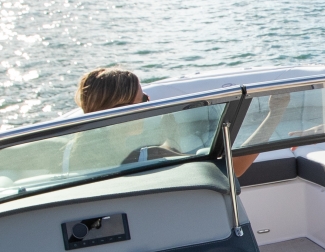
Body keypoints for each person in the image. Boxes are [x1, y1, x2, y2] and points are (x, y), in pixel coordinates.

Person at [72, 66, 285, 176]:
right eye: (144, 99)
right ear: (122, 110)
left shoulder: (69, 159)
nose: (149, 103)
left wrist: (170, 140)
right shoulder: (146, 157)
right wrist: (275, 114)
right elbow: (231, 170)